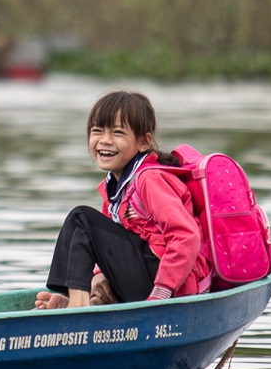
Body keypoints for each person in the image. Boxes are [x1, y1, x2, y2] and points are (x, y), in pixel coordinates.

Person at [34, 89, 211, 310]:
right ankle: (80, 297)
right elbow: (102, 244)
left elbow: (186, 236)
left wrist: (162, 291)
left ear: (144, 142)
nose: (105, 141)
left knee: (81, 218)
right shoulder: (114, 187)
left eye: (117, 133)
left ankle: (78, 307)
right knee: (79, 223)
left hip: (172, 287)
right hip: (144, 276)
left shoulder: (149, 179)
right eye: (97, 131)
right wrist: (99, 275)